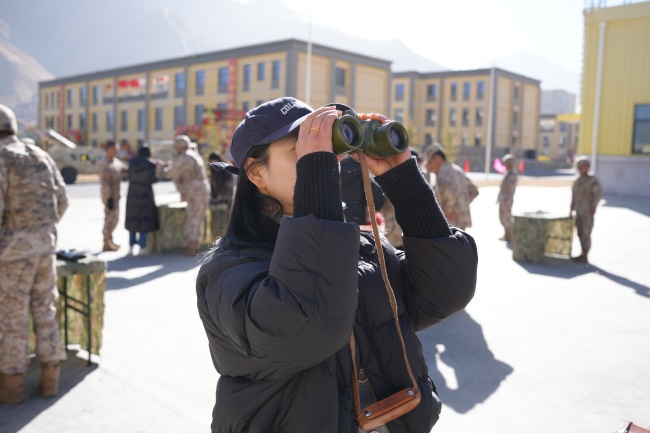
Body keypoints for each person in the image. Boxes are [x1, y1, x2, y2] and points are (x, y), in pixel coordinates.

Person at [196, 97, 478, 432]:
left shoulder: (359, 247)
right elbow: (310, 325)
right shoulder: (225, 273)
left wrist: (404, 183)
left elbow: (442, 294)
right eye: (299, 149)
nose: (326, 160)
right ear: (256, 172)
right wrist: (315, 173)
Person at [0, 104, 69, 403]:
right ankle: (50, 379)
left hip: (13, 254)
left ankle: (13, 388)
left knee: (13, 319)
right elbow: (63, 200)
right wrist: (42, 231)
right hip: (45, 247)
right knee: (46, 311)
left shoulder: (1, 158)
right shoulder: (40, 155)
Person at [168, 134, 210, 256]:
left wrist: (161, 170)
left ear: (180, 147)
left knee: (193, 218)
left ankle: (192, 247)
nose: (176, 150)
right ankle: (195, 244)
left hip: (194, 191)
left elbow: (172, 172)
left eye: (177, 147)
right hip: (202, 190)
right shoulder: (195, 155)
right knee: (199, 218)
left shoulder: (184, 157)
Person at [424, 143, 479, 230]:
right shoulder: (456, 169)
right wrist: (462, 205)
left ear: (437, 158)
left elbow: (449, 193)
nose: (429, 167)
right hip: (460, 219)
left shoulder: (443, 172)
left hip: (451, 221)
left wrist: (449, 211)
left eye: (430, 162)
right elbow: (474, 190)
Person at [125, 145, 160, 256]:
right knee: (144, 221)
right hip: (146, 194)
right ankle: (142, 248)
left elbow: (129, 176)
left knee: (132, 221)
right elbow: (154, 179)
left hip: (132, 194)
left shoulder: (131, 162)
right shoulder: (151, 164)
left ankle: (130, 248)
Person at [570, 156, 602, 263]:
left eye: (586, 166)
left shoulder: (592, 180)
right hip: (578, 212)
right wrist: (571, 209)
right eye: (583, 167)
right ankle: (582, 253)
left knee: (586, 233)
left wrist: (593, 207)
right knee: (580, 232)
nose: (585, 168)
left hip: (587, 212)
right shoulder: (577, 180)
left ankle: (585, 254)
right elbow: (573, 196)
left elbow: (597, 195)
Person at [339, 154, 385, 225]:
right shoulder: (360, 171)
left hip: (333, 223)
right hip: (357, 223)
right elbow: (377, 197)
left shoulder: (331, 169)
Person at [98, 140, 126, 251]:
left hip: (116, 195)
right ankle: (105, 241)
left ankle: (110, 239)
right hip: (109, 196)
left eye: (117, 149)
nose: (116, 151)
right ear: (108, 150)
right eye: (114, 149)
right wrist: (108, 198)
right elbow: (104, 183)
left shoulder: (116, 162)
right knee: (109, 218)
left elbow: (125, 169)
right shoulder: (104, 164)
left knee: (115, 218)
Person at [497, 154, 518, 242]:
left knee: (506, 219)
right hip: (503, 200)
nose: (505, 165)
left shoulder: (512, 175)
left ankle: (509, 236)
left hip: (507, 201)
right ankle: (506, 235)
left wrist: (506, 201)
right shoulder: (507, 174)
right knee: (502, 218)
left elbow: (509, 190)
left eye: (507, 163)